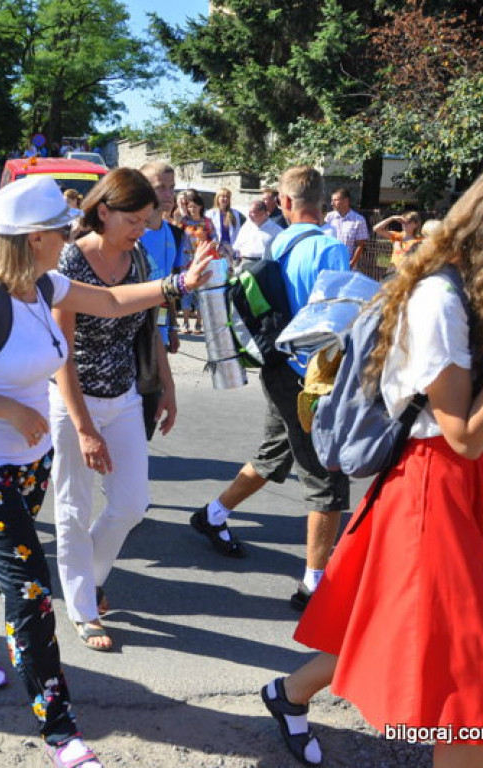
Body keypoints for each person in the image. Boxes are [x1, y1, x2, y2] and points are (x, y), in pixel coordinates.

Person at [0, 175, 212, 768]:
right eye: (58, 228)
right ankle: (62, 735)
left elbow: (107, 301)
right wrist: (14, 410)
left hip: (28, 463)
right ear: (33, 238)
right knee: (30, 595)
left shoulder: (44, 283)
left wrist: (179, 282)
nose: (67, 233)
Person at [261, 174, 483, 768]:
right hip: (439, 483)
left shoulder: (465, 290)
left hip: (456, 483)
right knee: (463, 676)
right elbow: (462, 434)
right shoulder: (440, 299)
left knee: (390, 622)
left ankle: (289, 694)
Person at [192, 166, 351, 608]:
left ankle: (213, 514)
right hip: (311, 376)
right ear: (322, 202)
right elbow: (335, 320)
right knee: (326, 479)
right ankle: (315, 585)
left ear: (284, 202)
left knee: (275, 453)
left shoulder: (277, 242)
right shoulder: (331, 249)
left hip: (277, 366)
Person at [50, 168, 178, 652]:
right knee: (73, 508)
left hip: (124, 396)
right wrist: (83, 427)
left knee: (130, 503)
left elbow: (148, 326)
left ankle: (87, 576)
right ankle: (83, 611)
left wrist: (165, 387)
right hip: (71, 399)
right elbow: (60, 351)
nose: (141, 229)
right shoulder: (69, 260)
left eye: (147, 220)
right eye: (134, 219)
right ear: (103, 212)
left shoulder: (139, 257)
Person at [138, 161, 186, 358]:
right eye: (161, 188)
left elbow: (170, 284)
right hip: (133, 332)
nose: (169, 194)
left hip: (161, 330)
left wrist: (173, 326)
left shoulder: (175, 234)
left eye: (172, 187)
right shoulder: (130, 233)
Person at [178, 189, 213, 334]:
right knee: (186, 291)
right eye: (190, 206)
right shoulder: (184, 222)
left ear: (200, 206)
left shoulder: (206, 222)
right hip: (186, 259)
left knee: (201, 292)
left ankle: (199, 323)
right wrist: (181, 203)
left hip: (201, 259)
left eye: (194, 206)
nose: (192, 209)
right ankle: (185, 323)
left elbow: (214, 238)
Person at [324, 188, 369, 270]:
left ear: (346, 201)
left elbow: (360, 245)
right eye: (332, 200)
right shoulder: (328, 218)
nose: (331, 203)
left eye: (335, 200)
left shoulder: (358, 220)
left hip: (347, 265)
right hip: (328, 264)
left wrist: (352, 263)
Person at [233, 199, 284, 267]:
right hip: (245, 264)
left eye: (252, 212)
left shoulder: (277, 230)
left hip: (264, 265)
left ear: (263, 213)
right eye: (249, 212)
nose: (249, 215)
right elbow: (237, 247)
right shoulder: (246, 227)